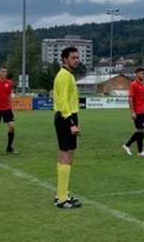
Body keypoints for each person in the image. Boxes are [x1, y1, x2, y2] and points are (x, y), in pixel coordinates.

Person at [53, 46, 82, 208]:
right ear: (65, 59)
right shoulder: (64, 76)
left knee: (67, 154)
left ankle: (61, 193)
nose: (76, 60)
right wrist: (71, 123)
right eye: (73, 58)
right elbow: (63, 101)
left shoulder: (67, 75)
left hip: (68, 116)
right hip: (65, 117)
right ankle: (62, 199)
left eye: (77, 57)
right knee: (66, 155)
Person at [123, 67, 144, 156]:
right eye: (142, 73)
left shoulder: (142, 85)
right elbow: (130, 98)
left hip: (143, 111)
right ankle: (129, 146)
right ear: (137, 74)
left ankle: (139, 150)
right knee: (140, 129)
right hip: (138, 111)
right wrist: (132, 112)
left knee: (143, 129)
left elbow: (143, 98)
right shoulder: (134, 84)